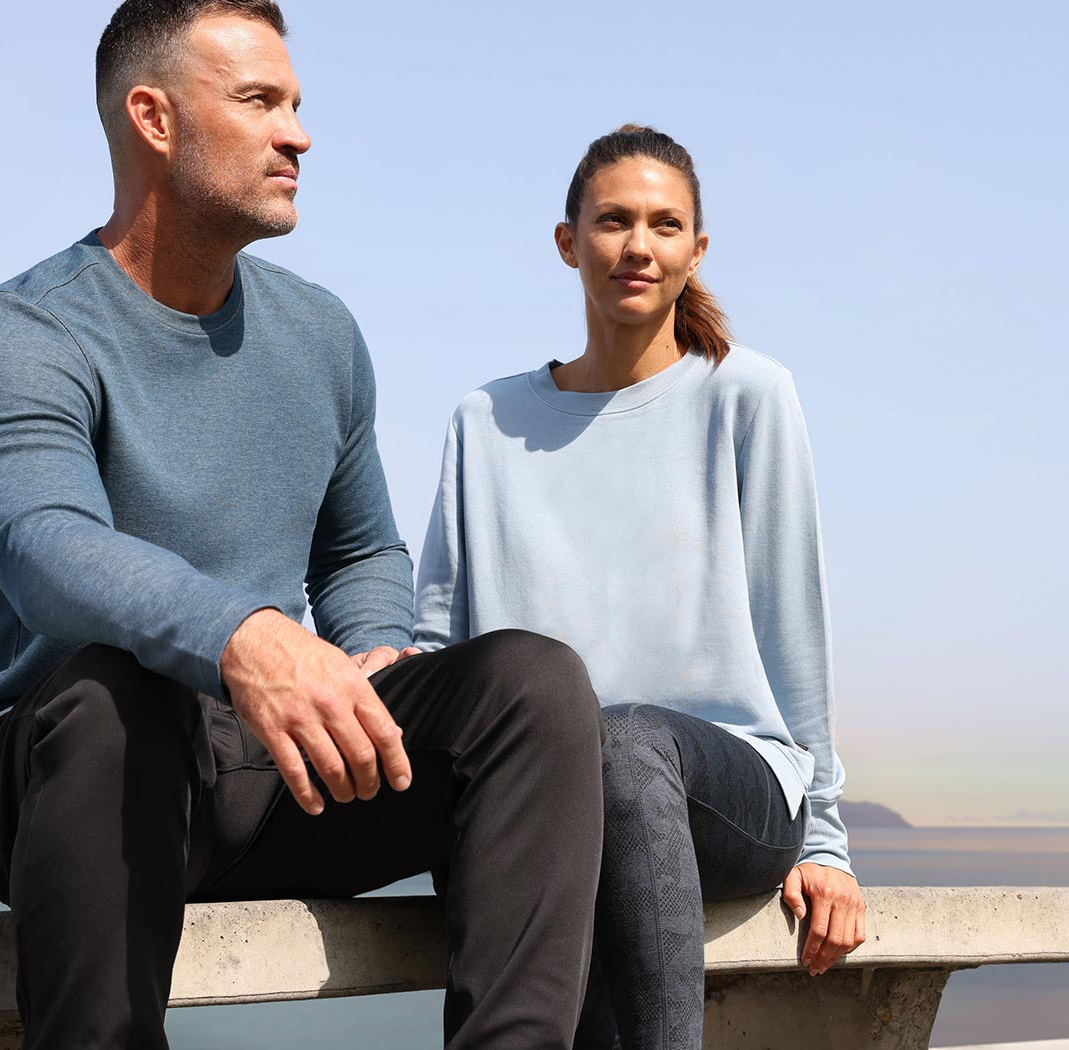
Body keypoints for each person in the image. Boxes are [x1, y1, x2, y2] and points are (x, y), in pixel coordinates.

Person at [0, 3, 605, 1047]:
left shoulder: (320, 334)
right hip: (74, 774)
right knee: (117, 694)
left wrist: (373, 643)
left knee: (532, 685)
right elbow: (45, 552)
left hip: (277, 768)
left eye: (295, 105)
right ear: (153, 119)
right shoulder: (23, 335)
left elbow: (358, 549)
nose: (298, 134)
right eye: (259, 102)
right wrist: (246, 636)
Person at [412, 124, 867, 1050]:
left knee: (620, 748)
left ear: (695, 251)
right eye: (613, 220)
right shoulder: (485, 422)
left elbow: (794, 630)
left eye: (665, 226)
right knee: (583, 775)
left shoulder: (749, 396)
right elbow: (439, 650)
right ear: (567, 241)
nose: (637, 246)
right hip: (549, 794)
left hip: (731, 782)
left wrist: (824, 840)